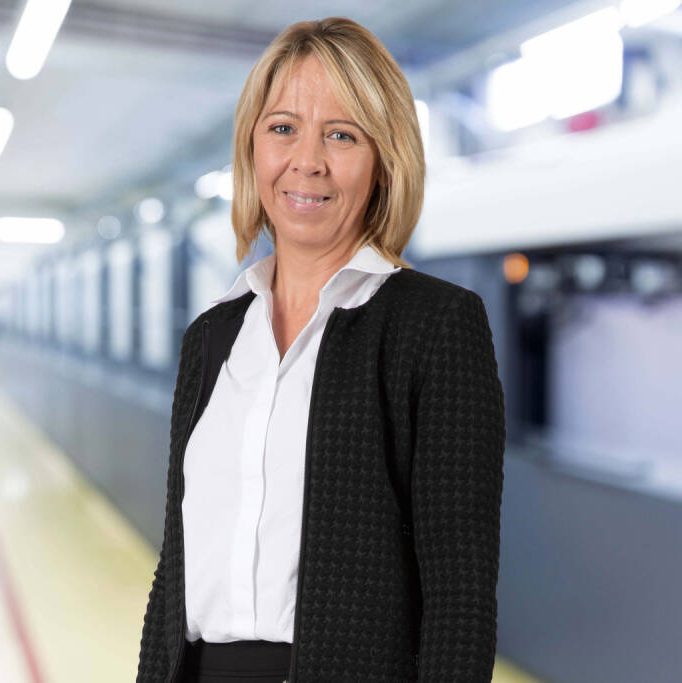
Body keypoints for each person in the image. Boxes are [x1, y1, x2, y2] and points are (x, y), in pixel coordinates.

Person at [136, 16, 505, 683]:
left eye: (342, 134)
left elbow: (459, 599)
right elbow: (177, 566)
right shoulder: (211, 338)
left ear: (384, 161)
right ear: (252, 147)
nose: (307, 160)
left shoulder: (434, 326)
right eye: (283, 128)